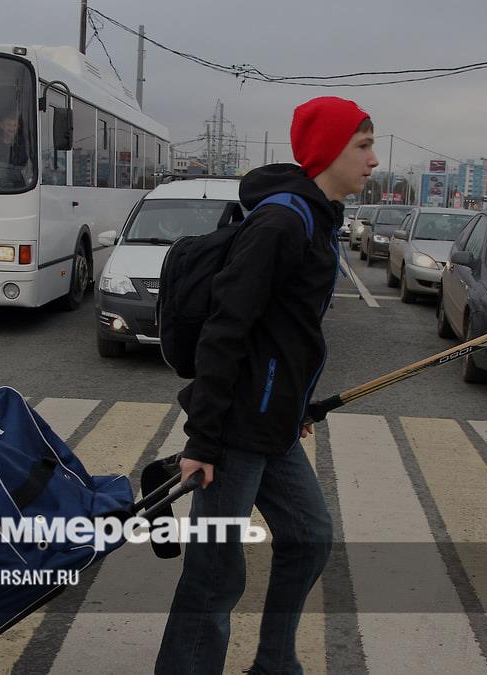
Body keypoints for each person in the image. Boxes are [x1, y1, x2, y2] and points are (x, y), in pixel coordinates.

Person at [156, 96, 379, 674]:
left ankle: (275, 664)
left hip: (270, 424)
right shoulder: (281, 224)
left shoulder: (319, 220)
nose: (373, 159)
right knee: (214, 575)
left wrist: (294, 406)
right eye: (363, 146)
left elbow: (287, 337)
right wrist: (202, 441)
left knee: (309, 538)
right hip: (233, 430)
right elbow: (225, 330)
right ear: (329, 152)